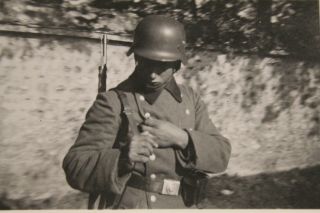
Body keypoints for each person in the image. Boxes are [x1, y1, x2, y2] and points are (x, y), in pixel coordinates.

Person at [62, 15, 231, 209]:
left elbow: (221, 155)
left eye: (162, 65)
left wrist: (182, 138)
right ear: (137, 57)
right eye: (146, 62)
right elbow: (75, 165)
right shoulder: (114, 101)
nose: (152, 74)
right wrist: (122, 158)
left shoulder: (190, 99)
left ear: (177, 64)